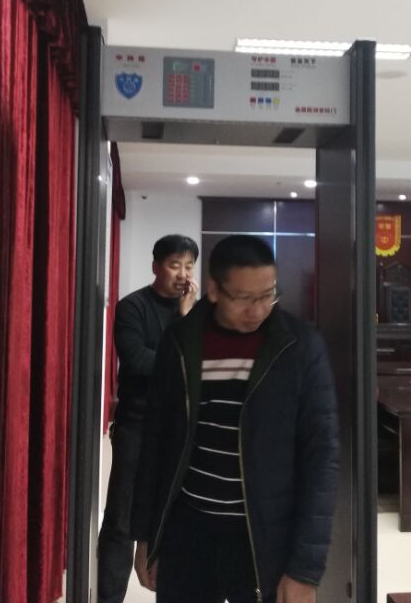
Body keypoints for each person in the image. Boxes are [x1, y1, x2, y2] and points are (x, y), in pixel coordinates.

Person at [131, 235, 339, 603]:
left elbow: (322, 457)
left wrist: (305, 569)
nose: (257, 310)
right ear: (214, 290)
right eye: (243, 298)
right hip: (188, 533)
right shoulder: (180, 342)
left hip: (264, 537)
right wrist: (147, 536)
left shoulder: (300, 347)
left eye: (267, 295)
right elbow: (156, 444)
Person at [97, 234, 200, 603]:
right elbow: (138, 362)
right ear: (156, 266)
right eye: (175, 265)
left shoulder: (202, 313)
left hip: (181, 429)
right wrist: (183, 323)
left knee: (179, 517)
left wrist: (189, 320)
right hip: (137, 425)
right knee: (122, 520)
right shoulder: (132, 307)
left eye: (189, 266)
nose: (183, 274)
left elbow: (201, 366)